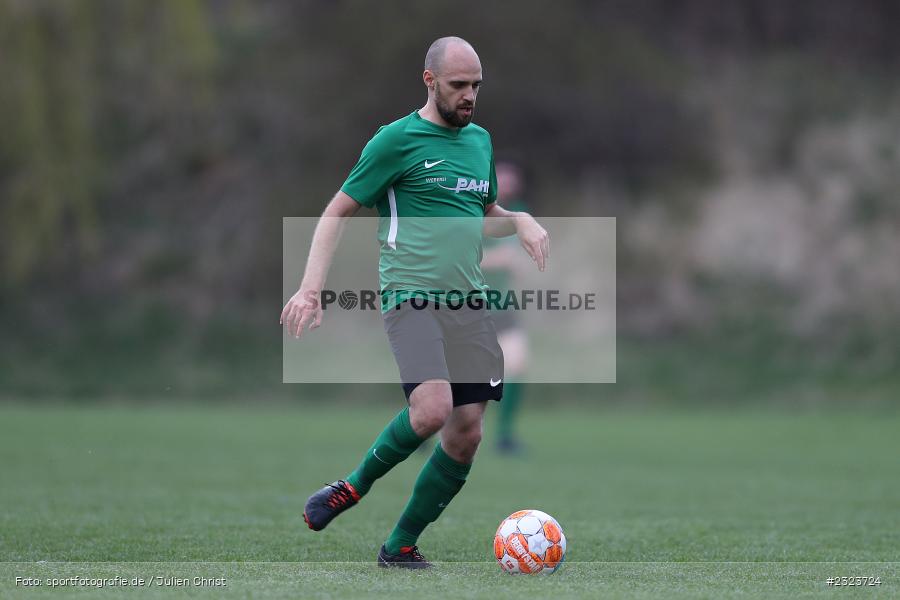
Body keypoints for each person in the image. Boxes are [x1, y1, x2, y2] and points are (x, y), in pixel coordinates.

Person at [280, 36, 549, 569]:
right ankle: (352, 487)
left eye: (476, 85)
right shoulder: (395, 140)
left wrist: (519, 220)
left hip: (469, 302)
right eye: (458, 85)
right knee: (432, 410)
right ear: (430, 81)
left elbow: (484, 215)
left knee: (466, 434)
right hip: (411, 295)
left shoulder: (480, 142)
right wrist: (311, 287)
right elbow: (337, 212)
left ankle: (400, 546)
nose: (469, 95)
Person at [480, 161, 531, 454]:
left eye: (513, 184)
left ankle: (504, 436)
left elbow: (521, 258)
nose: (508, 189)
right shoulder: (472, 212)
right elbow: (456, 257)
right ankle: (422, 431)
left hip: (502, 304)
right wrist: (496, 260)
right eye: (503, 183)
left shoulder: (519, 213)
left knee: (517, 363)